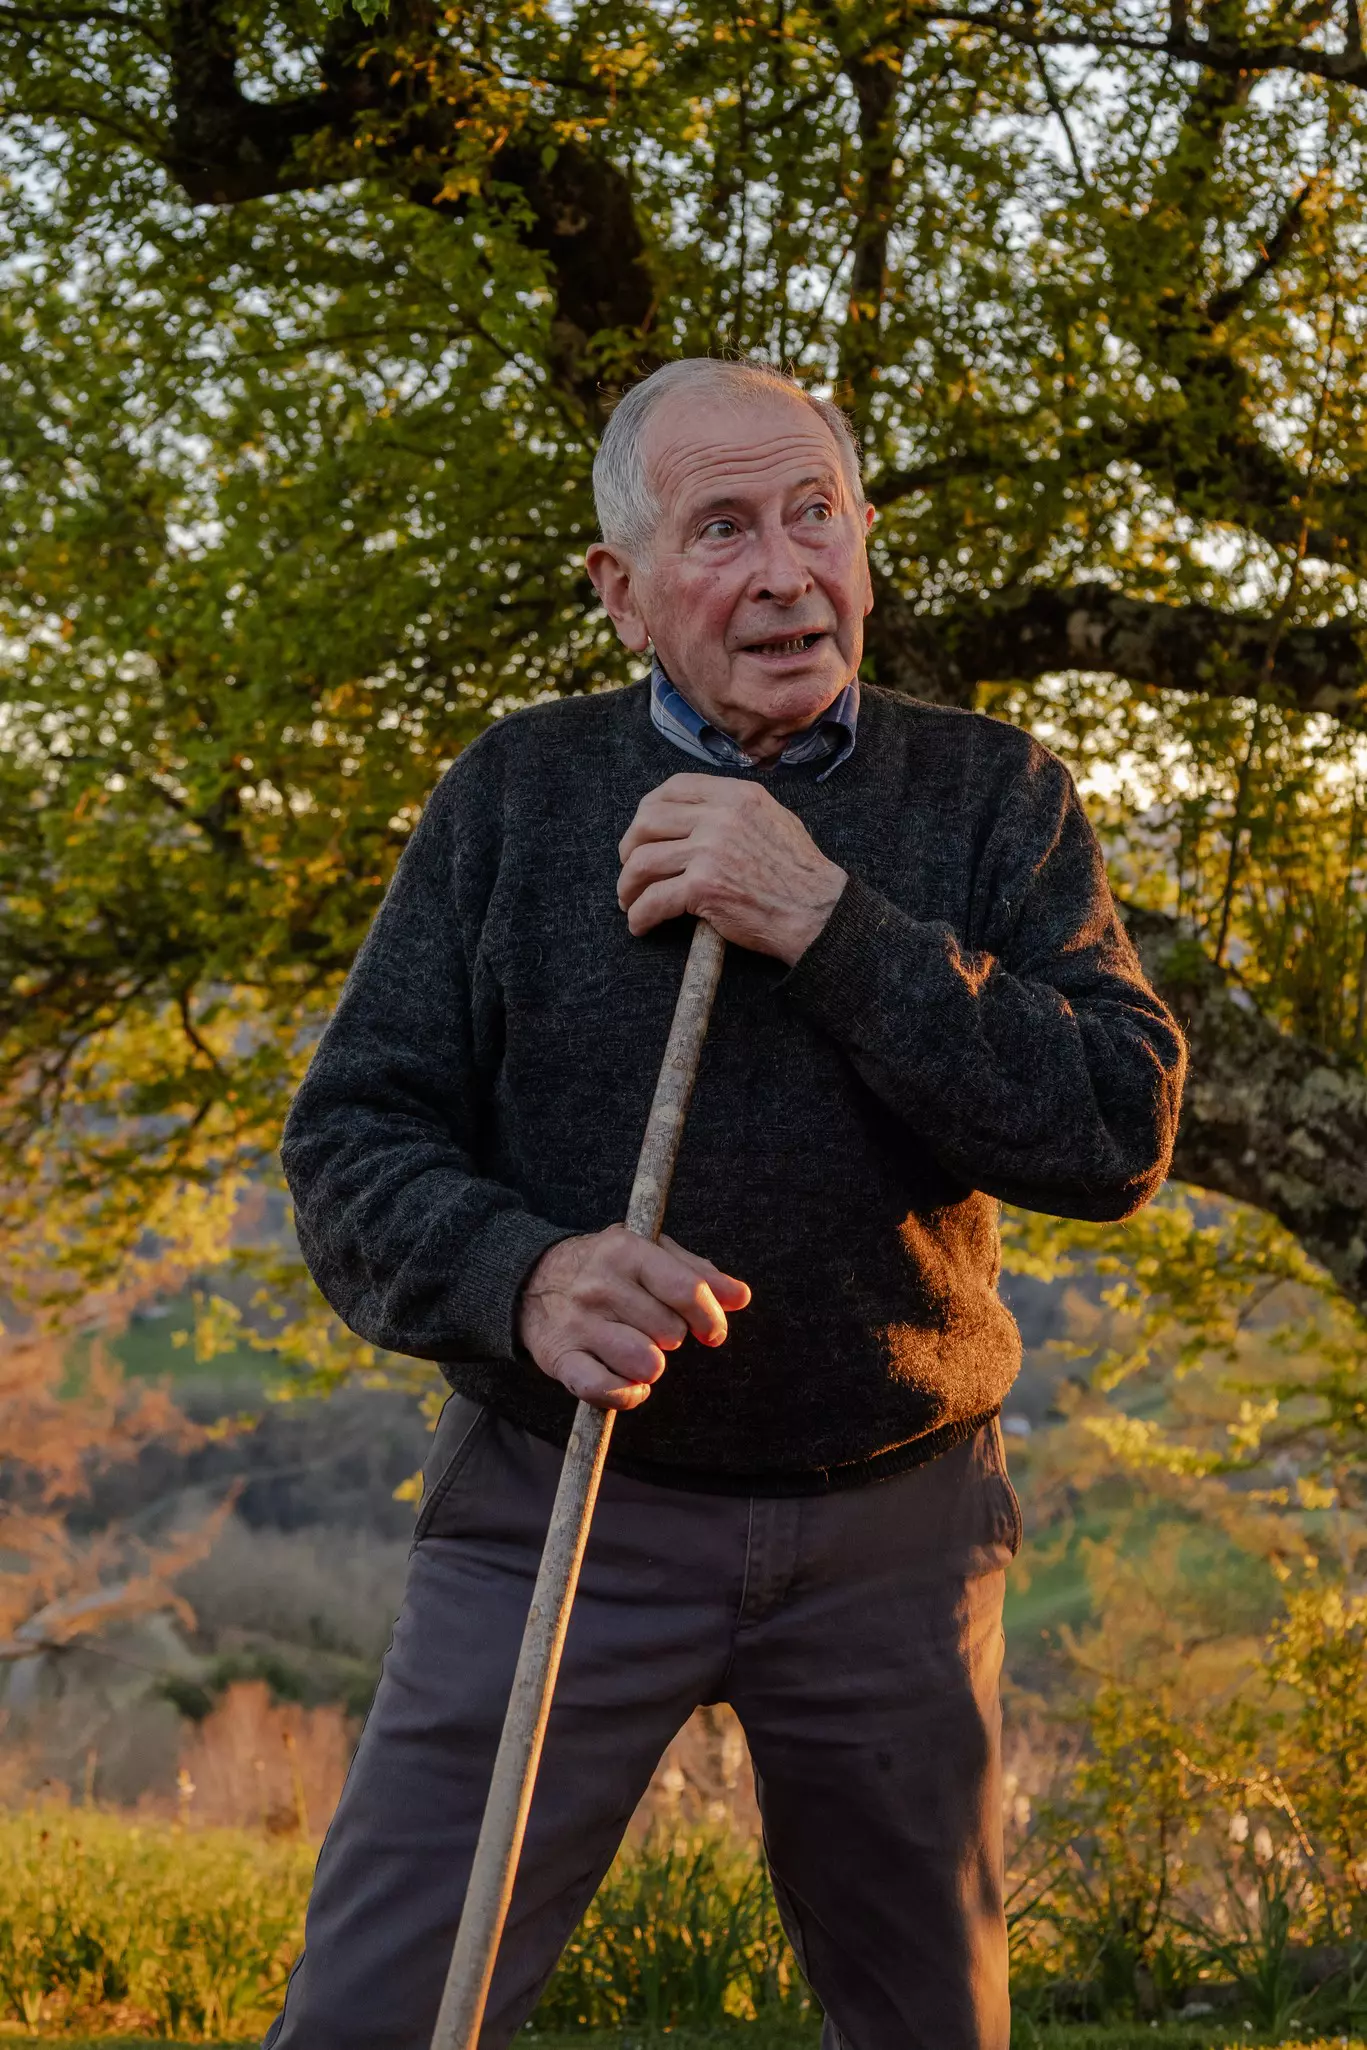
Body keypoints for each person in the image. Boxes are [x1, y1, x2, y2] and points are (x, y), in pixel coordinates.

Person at [267, 357, 1185, 2050]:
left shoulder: (988, 791)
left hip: (896, 1529)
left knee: (930, 2030)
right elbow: (350, 1139)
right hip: (561, 1508)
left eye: (815, 513)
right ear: (620, 592)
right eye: (720, 528)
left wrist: (828, 919)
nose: (784, 569)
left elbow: (1112, 1127)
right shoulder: (517, 794)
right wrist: (523, 1275)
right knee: (385, 2012)